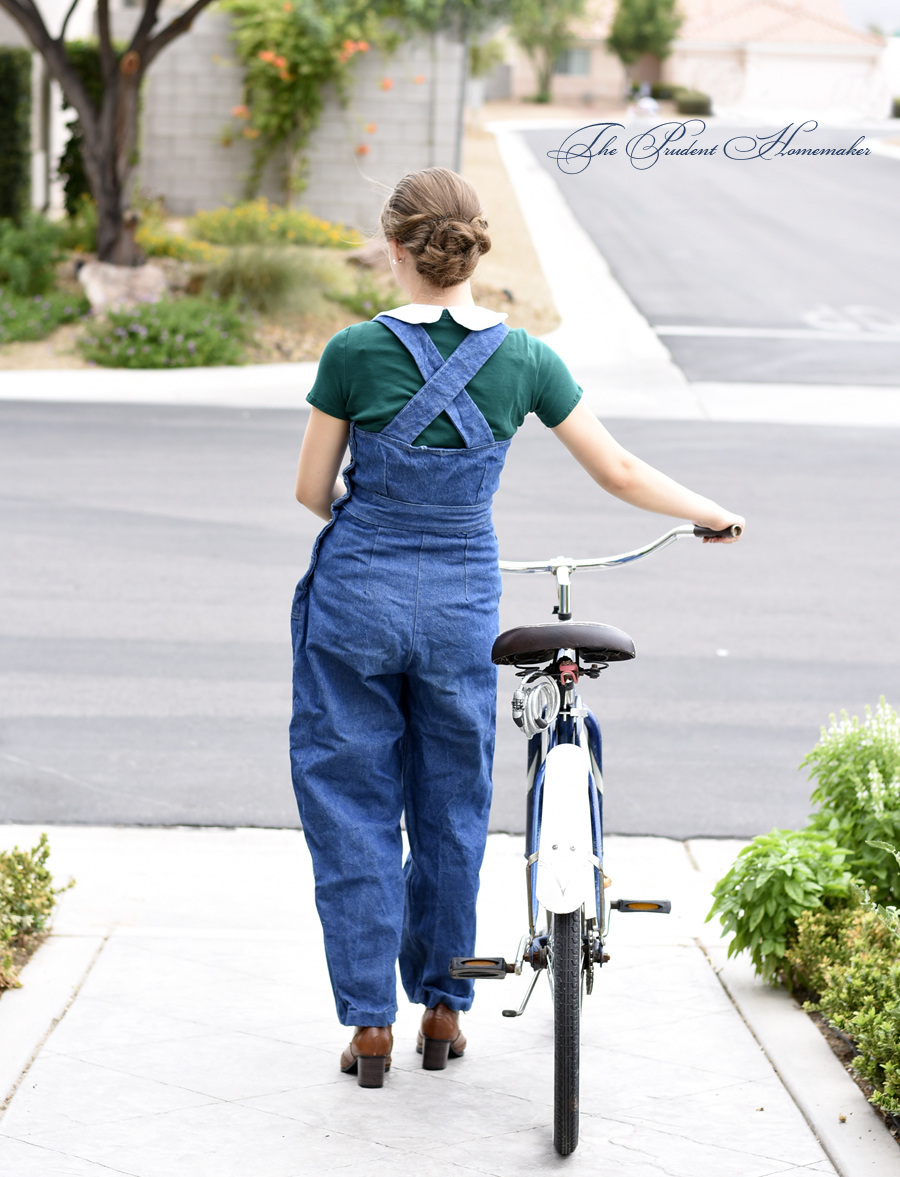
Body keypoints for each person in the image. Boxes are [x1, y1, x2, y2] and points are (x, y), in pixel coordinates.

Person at [290, 167, 744, 1089]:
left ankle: (370, 1025)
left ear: (397, 249)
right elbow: (615, 469)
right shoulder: (527, 360)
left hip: (357, 602)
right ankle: (446, 1007)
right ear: (471, 249)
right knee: (451, 805)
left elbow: (309, 493)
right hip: (461, 606)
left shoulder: (350, 351)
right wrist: (708, 510)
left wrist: (376, 518)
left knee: (352, 807)